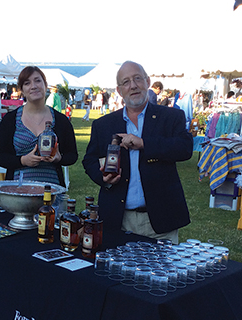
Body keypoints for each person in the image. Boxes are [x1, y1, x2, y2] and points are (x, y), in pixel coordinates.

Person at [82, 61, 193, 242]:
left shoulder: (170, 117)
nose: (133, 85)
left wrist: (144, 144)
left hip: (161, 220)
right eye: (126, 82)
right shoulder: (103, 125)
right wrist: (102, 177)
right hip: (118, 220)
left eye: (137, 79)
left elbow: (185, 148)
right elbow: (89, 160)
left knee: (161, 270)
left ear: (148, 82)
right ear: (119, 91)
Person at [0, 66, 77, 187]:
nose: (33, 86)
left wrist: (59, 158)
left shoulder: (61, 120)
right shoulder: (10, 120)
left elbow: (72, 155)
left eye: (38, 80)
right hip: (18, 192)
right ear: (22, 89)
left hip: (53, 191)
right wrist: (22, 160)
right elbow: (0, 157)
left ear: (45, 84)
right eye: (27, 83)